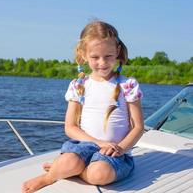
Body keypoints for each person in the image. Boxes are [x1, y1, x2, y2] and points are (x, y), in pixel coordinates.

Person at [22, 20, 144, 193]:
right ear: (83, 54)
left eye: (108, 56)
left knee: (99, 175)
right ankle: (50, 177)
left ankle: (68, 171)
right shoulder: (79, 85)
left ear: (117, 51)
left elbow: (138, 127)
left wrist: (121, 148)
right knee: (69, 161)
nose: (102, 62)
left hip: (114, 152)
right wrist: (98, 142)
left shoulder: (128, 85)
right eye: (95, 57)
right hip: (84, 146)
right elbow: (70, 127)